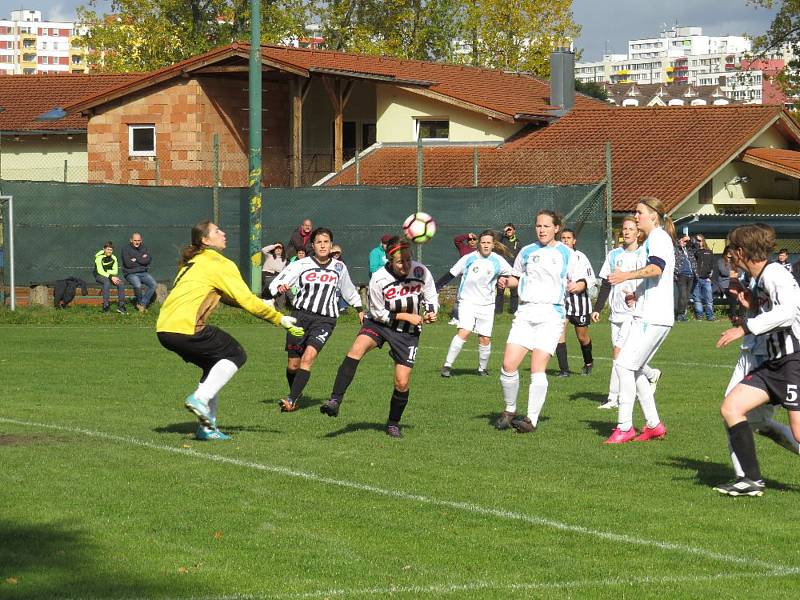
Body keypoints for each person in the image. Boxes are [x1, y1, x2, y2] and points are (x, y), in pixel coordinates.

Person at [156, 220, 304, 441]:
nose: (223, 233)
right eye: (217, 231)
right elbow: (244, 299)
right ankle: (200, 398)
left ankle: (207, 427)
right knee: (235, 354)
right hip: (186, 327)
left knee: (213, 365)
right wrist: (279, 318)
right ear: (205, 240)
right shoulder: (219, 263)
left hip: (165, 329)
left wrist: (261, 303)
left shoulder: (193, 262)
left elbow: (229, 297)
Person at [712, 224, 800, 496]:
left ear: (741, 251)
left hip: (793, 362)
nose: (730, 258)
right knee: (731, 408)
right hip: (773, 364)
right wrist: (752, 311)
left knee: (799, 434)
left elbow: (788, 312)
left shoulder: (774, 274)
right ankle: (751, 480)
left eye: (732, 252)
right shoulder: (761, 277)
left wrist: (745, 328)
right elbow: (773, 312)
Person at [319, 237, 438, 438]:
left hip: (407, 334)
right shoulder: (379, 278)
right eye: (400, 262)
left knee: (402, 382)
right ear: (390, 260)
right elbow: (377, 312)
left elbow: (431, 297)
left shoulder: (421, 272)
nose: (406, 265)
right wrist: (404, 315)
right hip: (380, 324)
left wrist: (431, 312)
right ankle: (335, 400)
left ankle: (393, 423)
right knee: (356, 349)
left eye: (408, 260)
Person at [494, 210, 579, 434]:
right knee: (508, 365)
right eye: (538, 226)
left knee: (536, 367)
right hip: (525, 313)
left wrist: (576, 286)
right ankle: (510, 410)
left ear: (556, 228)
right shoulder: (526, 252)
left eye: (546, 226)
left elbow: (581, 281)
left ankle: (531, 420)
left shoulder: (566, 253)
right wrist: (505, 281)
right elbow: (517, 278)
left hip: (550, 315)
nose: (541, 230)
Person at [269, 227, 363, 413]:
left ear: (331, 245)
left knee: (308, 358)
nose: (322, 245)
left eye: (326, 241)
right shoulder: (301, 264)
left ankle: (291, 400)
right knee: (293, 364)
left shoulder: (339, 267)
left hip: (325, 320)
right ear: (313, 245)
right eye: (319, 242)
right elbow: (280, 280)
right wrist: (278, 288)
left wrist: (360, 309)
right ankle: (295, 392)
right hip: (299, 317)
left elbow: (349, 290)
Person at [605, 196, 675, 444]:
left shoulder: (658, 238)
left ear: (653, 216)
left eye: (639, 212)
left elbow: (657, 269)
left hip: (653, 316)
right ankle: (654, 425)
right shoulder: (653, 240)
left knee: (623, 366)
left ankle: (624, 427)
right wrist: (639, 293)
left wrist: (626, 276)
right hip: (647, 312)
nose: (636, 216)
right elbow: (655, 278)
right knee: (632, 369)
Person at [591, 216, 661, 410]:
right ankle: (650, 374)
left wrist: (638, 297)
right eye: (624, 229)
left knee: (619, 356)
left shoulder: (643, 254)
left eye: (631, 228)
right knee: (625, 357)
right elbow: (607, 282)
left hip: (634, 313)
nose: (627, 232)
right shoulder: (614, 255)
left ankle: (614, 398)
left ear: (638, 232)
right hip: (617, 313)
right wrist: (598, 308)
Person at [437, 230, 516, 378]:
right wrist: (435, 287)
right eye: (483, 242)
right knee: (464, 331)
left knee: (485, 338)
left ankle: (482, 369)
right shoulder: (468, 258)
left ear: (493, 245)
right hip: (467, 302)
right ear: (479, 244)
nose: (486, 245)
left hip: (487, 304)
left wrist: (504, 279)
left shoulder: (498, 260)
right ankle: (447, 366)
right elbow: (451, 274)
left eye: (489, 243)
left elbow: (513, 275)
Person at [554, 228, 596, 377]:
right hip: (562, 301)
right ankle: (564, 370)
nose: (565, 240)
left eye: (568, 238)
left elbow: (591, 279)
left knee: (582, 337)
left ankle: (588, 362)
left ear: (574, 240)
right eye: (563, 238)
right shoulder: (556, 256)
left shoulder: (580, 257)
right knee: (559, 333)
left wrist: (580, 284)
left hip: (580, 302)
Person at [447, 232, 479, 325]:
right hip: (464, 278)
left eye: (474, 239)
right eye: (470, 240)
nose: (472, 241)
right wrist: (467, 235)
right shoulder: (464, 248)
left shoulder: (480, 251)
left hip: (476, 279)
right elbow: (456, 240)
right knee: (459, 298)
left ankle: (474, 320)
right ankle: (456, 318)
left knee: (475, 300)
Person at [122, 232, 157, 313]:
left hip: (143, 272)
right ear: (131, 240)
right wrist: (141, 257)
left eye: (138, 240)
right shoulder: (125, 249)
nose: (137, 242)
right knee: (138, 285)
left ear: (141, 240)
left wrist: (135, 258)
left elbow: (147, 261)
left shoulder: (144, 248)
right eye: (135, 240)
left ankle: (142, 304)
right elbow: (128, 264)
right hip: (130, 273)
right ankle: (139, 303)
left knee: (153, 285)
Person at [94, 241, 127, 314]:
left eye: (111, 250)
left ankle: (121, 307)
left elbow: (115, 271)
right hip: (98, 275)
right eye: (108, 249)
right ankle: (106, 307)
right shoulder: (99, 258)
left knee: (120, 283)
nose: (109, 251)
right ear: (104, 249)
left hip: (110, 276)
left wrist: (109, 274)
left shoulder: (114, 258)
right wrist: (111, 276)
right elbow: (100, 271)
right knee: (106, 282)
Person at [495, 223, 522, 315]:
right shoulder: (502, 240)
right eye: (507, 230)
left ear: (514, 231)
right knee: (500, 291)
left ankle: (514, 311)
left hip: (514, 270)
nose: (509, 231)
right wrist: (503, 232)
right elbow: (495, 241)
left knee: (514, 292)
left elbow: (520, 256)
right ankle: (498, 312)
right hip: (502, 270)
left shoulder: (517, 242)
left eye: (510, 229)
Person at [713, 244, 742, 320]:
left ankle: (742, 315)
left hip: (735, 283)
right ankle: (733, 315)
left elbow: (740, 273)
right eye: (728, 252)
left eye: (731, 252)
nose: (729, 253)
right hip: (724, 285)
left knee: (744, 294)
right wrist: (733, 273)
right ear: (725, 252)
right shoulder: (721, 261)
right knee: (733, 296)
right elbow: (723, 272)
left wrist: (734, 274)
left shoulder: (736, 261)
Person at [692, 234, 715, 321]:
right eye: (697, 240)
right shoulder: (694, 252)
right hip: (696, 279)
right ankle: (699, 316)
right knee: (697, 299)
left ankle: (710, 316)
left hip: (706, 279)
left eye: (700, 240)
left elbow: (712, 265)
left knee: (709, 300)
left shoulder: (709, 251)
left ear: (703, 241)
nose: (699, 242)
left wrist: (710, 276)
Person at [673, 234, 696, 321]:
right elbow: (675, 246)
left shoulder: (688, 250)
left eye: (686, 242)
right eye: (683, 241)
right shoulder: (676, 249)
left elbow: (695, 246)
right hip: (681, 275)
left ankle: (682, 315)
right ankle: (679, 315)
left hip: (690, 275)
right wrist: (679, 243)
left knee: (686, 297)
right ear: (679, 240)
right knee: (683, 295)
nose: (685, 243)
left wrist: (690, 240)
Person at [260, 241, 287, 307]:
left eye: (280, 248)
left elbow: (284, 271)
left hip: (277, 277)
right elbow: (263, 250)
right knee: (279, 283)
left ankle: (279, 305)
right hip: (267, 276)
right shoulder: (269, 256)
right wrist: (275, 245)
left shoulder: (284, 260)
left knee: (283, 285)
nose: (278, 249)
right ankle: (277, 304)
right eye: (276, 248)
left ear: (282, 250)